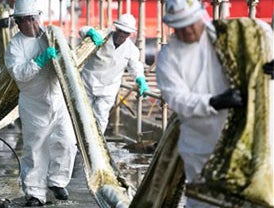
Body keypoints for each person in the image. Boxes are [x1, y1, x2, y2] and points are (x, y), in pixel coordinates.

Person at [155, 0, 273, 207]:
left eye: (192, 24)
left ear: (202, 17)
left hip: (244, 139)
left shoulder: (232, 37)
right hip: (201, 145)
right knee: (205, 202)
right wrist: (214, 102)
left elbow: (262, 42)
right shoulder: (169, 57)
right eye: (181, 27)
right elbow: (176, 98)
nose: (189, 31)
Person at [4, 0, 77, 206]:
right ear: (18, 22)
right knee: (36, 149)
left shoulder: (50, 36)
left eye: (33, 18)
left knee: (67, 142)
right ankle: (35, 193)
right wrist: (39, 60)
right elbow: (19, 73)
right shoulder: (15, 45)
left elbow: (68, 57)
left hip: (56, 98)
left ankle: (57, 181)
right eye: (25, 20)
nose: (31, 23)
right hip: (33, 103)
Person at [79, 13, 150, 135]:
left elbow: (135, 67)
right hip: (87, 83)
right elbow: (82, 30)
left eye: (126, 33)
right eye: (120, 31)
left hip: (108, 88)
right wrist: (90, 32)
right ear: (116, 28)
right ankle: (77, 143)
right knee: (80, 114)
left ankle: (94, 147)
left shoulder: (132, 50)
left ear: (130, 34)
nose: (122, 35)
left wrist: (141, 79)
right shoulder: (102, 36)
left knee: (100, 117)